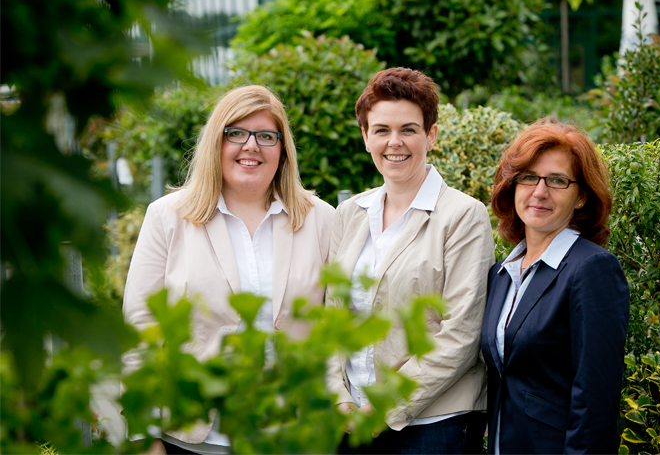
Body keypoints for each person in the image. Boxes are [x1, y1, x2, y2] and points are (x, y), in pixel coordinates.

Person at [123, 85, 335, 454]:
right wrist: (144, 438)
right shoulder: (167, 217)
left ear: (282, 150)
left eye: (267, 136)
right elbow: (140, 328)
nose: (251, 146)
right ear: (215, 143)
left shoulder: (322, 221)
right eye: (236, 133)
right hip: (193, 439)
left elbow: (338, 325)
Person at [326, 67, 495, 454]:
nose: (394, 142)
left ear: (430, 135)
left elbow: (461, 335)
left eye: (409, 129)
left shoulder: (463, 216)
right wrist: (339, 397)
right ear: (365, 137)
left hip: (433, 424)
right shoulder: (350, 213)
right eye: (381, 130)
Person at [480, 119, 630, 454]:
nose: (539, 192)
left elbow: (596, 398)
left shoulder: (592, 269)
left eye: (557, 181)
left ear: (581, 197)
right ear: (512, 186)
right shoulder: (501, 274)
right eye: (529, 177)